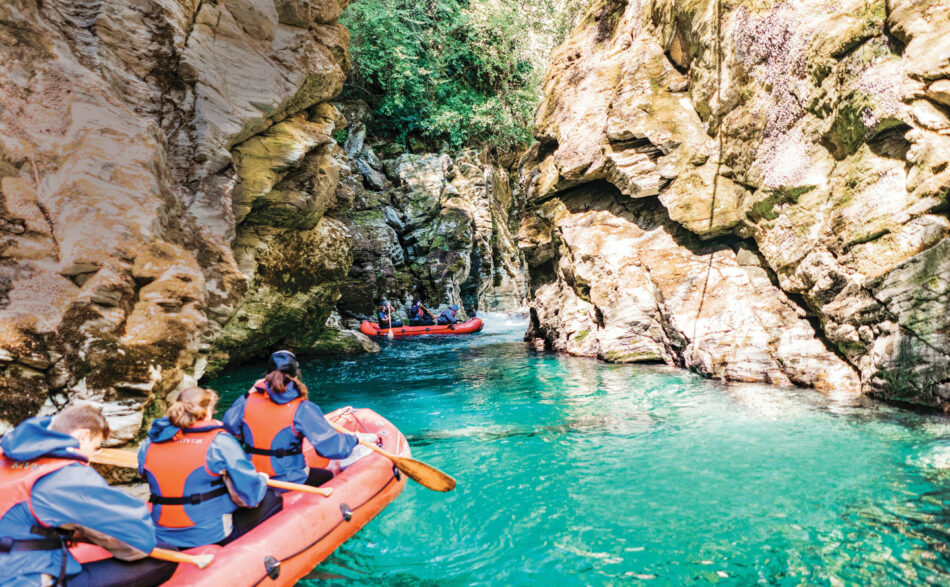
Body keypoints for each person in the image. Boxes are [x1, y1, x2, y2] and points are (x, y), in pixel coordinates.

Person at [0, 404, 175, 587]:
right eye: (95, 446)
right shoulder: (68, 475)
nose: (91, 456)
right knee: (164, 555)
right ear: (83, 436)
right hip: (20, 579)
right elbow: (139, 541)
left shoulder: (4, 454)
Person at [138, 387, 281, 549]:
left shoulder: (149, 444)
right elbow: (251, 497)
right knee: (272, 498)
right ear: (207, 411)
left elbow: (144, 474)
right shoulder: (220, 443)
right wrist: (261, 480)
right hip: (208, 536)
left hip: (162, 532)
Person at [223, 350, 378, 487]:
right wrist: (354, 439)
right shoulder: (302, 408)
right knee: (329, 476)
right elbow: (331, 448)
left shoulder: (246, 400)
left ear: (267, 374)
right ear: (296, 375)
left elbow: (230, 428)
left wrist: (248, 396)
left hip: (252, 476)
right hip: (289, 479)